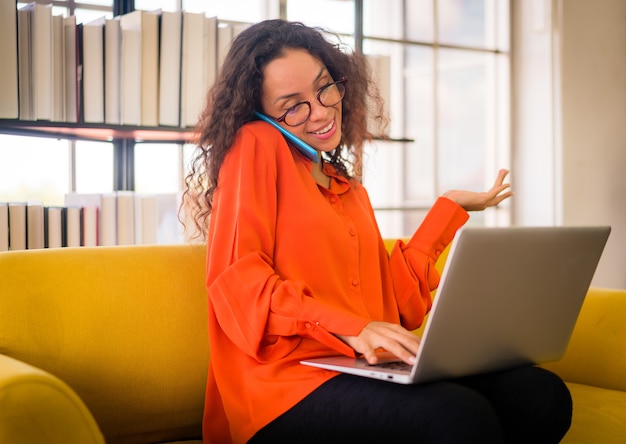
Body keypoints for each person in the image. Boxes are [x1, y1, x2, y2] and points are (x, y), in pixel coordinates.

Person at [183, 19, 572, 444]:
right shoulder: (254, 145)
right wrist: (350, 327)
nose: (321, 111)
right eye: (293, 106)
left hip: (360, 366)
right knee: (457, 417)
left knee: (541, 396)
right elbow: (239, 283)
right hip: (281, 391)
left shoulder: (347, 189)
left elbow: (392, 309)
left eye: (324, 88)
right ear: (260, 113)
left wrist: (448, 212)